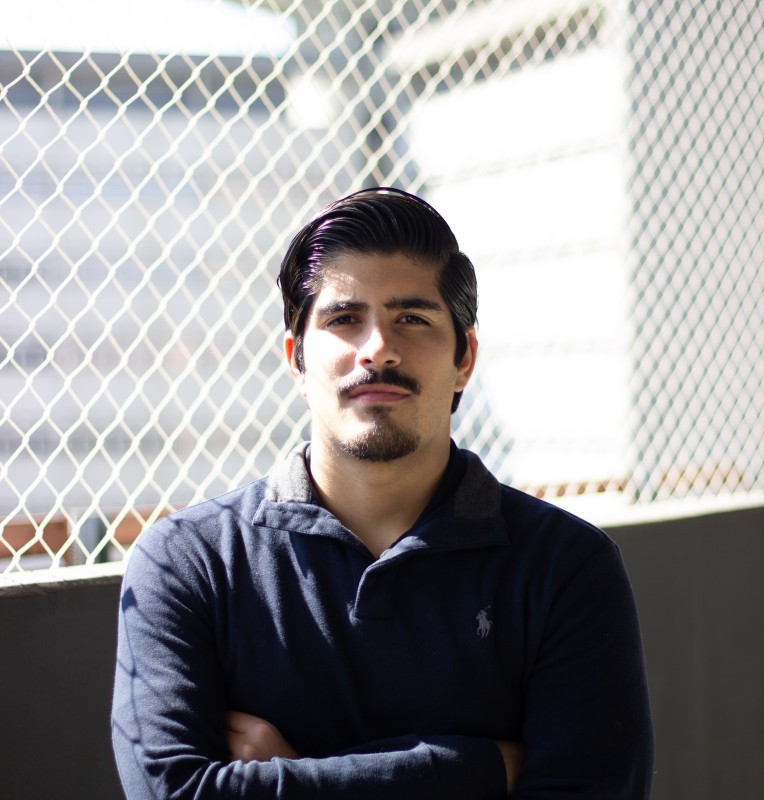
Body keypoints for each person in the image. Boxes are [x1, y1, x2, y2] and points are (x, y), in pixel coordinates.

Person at [112, 188, 654, 798]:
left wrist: (284, 775)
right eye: (344, 319)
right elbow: (172, 791)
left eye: (412, 320)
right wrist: (476, 771)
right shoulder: (188, 563)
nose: (378, 348)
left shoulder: (566, 567)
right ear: (296, 358)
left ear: (465, 358)